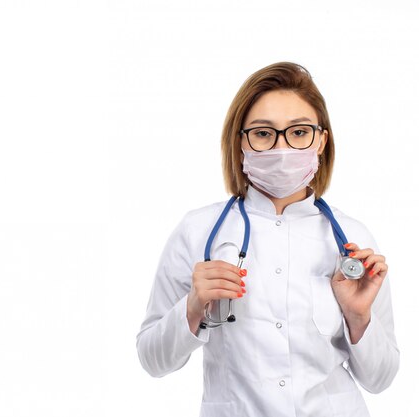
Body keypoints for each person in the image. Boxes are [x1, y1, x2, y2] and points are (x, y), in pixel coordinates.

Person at [135, 62, 399, 417]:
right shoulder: (198, 231)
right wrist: (193, 307)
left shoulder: (353, 239)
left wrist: (358, 316)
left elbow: (381, 378)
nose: (282, 147)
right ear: (240, 142)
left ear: (321, 140)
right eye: (263, 133)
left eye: (299, 132)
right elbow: (152, 360)